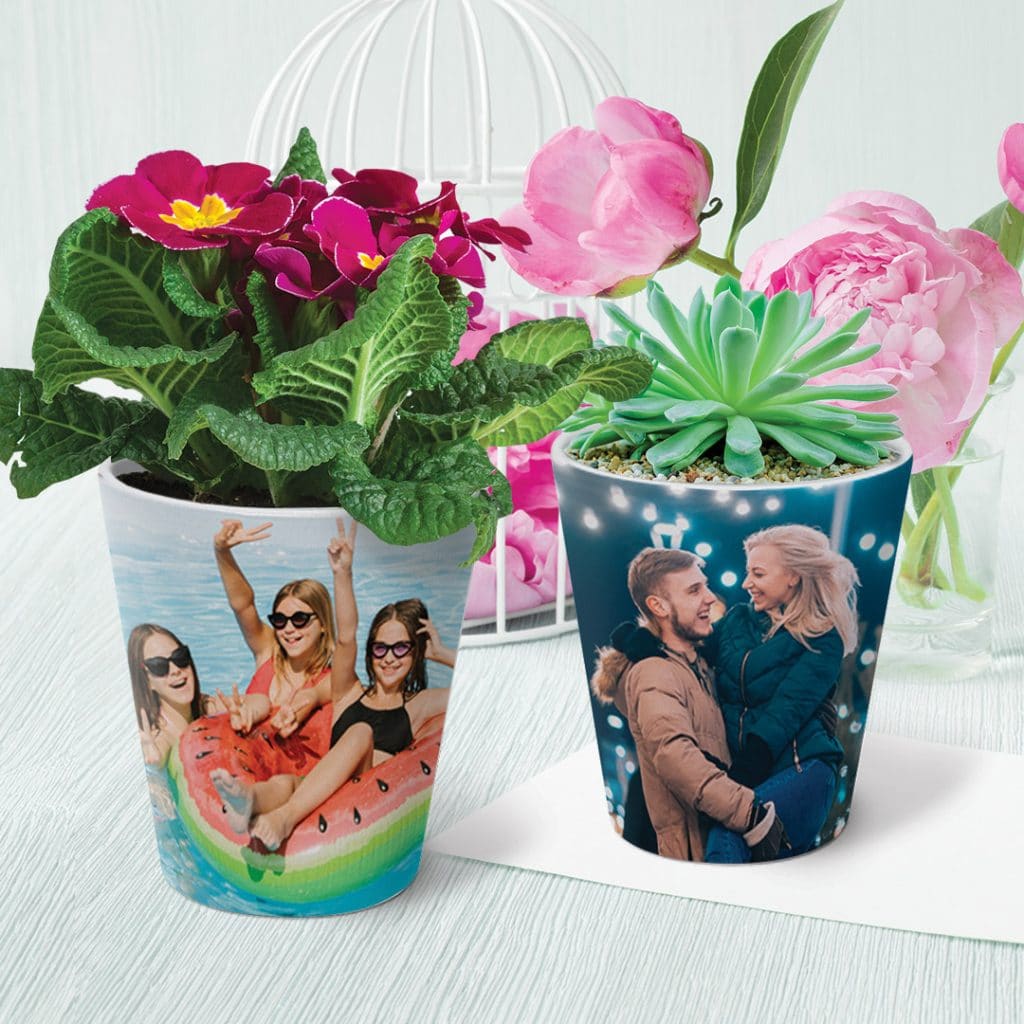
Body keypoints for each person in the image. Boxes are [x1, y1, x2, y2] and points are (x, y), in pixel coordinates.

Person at [210, 518, 455, 851]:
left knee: (361, 732)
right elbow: (347, 637)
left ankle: (285, 818)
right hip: (317, 789)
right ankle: (246, 802)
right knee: (284, 783)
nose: (389, 658)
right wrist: (343, 573)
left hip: (366, 797)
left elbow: (477, 691)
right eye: (380, 648)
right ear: (369, 652)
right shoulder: (347, 692)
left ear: (416, 652)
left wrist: (441, 654)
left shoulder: (419, 704)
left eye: (401, 648)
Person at [590, 547, 788, 863]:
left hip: (715, 840)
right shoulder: (654, 670)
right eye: (694, 590)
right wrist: (748, 813)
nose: (709, 597)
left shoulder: (701, 668)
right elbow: (674, 754)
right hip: (688, 854)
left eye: (705, 586)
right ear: (658, 606)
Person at [702, 525, 857, 863]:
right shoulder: (737, 620)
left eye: (758, 573)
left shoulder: (822, 637)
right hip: (745, 772)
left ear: (793, 576)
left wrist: (744, 770)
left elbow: (788, 708)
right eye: (747, 572)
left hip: (801, 769)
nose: (746, 583)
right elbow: (693, 650)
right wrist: (649, 641)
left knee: (729, 833)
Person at [211, 519, 337, 737]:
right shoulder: (268, 651)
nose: (288, 628)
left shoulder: (332, 678)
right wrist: (222, 551)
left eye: (300, 619)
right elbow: (243, 606)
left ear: (324, 623)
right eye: (279, 620)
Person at [129, 623, 214, 768]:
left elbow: (259, 701)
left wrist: (248, 712)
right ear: (147, 681)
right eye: (159, 666)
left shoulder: (206, 706)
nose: (175, 670)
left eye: (179, 657)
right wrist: (153, 761)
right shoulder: (164, 736)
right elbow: (158, 753)